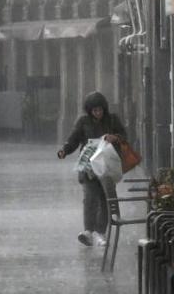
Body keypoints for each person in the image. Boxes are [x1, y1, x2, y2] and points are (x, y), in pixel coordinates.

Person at [56, 91, 127, 247]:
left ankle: (100, 233)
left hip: (107, 166)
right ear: (89, 110)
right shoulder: (83, 122)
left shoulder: (112, 120)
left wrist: (114, 137)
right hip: (88, 166)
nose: (98, 113)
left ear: (104, 109)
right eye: (95, 110)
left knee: (104, 199)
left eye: (100, 110)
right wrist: (64, 151)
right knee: (89, 198)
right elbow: (73, 139)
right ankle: (88, 231)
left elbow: (124, 135)